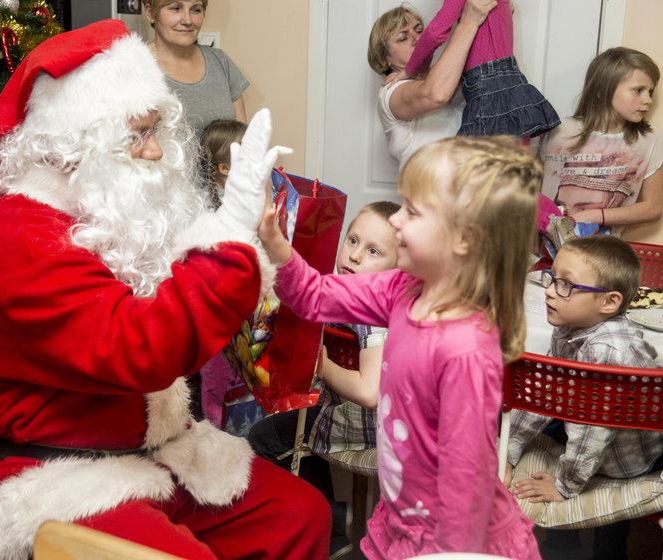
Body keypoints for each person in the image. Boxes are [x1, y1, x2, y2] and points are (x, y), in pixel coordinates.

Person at [0, 20, 331, 560]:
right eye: (135, 135)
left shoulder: (105, 216)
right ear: (74, 145)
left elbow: (181, 302)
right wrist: (228, 240)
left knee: (298, 515)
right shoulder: (22, 236)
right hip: (55, 475)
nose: (154, 153)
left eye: (153, 132)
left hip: (154, 449)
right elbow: (140, 348)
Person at [258, 135, 543, 559]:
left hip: (450, 542)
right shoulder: (404, 288)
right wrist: (277, 243)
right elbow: (317, 296)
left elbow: (465, 482)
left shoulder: (466, 350)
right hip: (402, 518)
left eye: (412, 211)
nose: (395, 221)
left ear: (463, 238)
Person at [505, 235, 663, 560]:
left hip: (622, 458)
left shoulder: (606, 351)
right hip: (589, 427)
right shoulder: (570, 323)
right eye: (553, 278)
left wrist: (565, 485)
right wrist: (507, 452)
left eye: (566, 285)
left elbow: (592, 431)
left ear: (609, 302)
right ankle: (564, 545)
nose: (550, 290)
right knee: (521, 421)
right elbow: (546, 391)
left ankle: (603, 551)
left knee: (610, 530)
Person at [247, 201, 399, 516]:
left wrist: (322, 364)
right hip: (345, 407)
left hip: (372, 422)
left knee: (263, 438)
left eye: (374, 252)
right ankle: (325, 516)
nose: (355, 255)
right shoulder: (344, 287)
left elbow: (370, 392)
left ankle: (317, 519)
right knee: (284, 424)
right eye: (353, 241)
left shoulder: (372, 309)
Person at [540, 47, 662, 235]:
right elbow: (524, 187)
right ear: (602, 90)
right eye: (638, 90)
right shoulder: (558, 131)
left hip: (601, 254)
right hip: (542, 249)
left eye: (650, 91)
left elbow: (653, 207)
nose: (648, 100)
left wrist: (595, 216)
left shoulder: (650, 140)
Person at [402, 0, 560, 139]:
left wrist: (409, 69)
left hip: (486, 83)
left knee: (481, 161)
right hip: (512, 78)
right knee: (514, 154)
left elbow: (434, 33)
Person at [368, 0, 496, 167]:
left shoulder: (446, 72)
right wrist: (467, 23)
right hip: (426, 192)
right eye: (403, 38)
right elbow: (435, 94)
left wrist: (494, 13)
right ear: (385, 59)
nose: (416, 39)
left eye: (419, 30)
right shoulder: (390, 93)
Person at [195, 118, 248, 426]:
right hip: (216, 308)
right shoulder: (207, 206)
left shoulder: (245, 198)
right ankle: (215, 431)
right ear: (226, 168)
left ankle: (237, 426)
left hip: (240, 305)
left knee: (239, 371)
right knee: (217, 375)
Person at [143, 0, 248, 135]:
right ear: (150, 13)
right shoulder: (133, 68)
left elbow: (244, 140)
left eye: (196, 10)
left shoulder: (220, 61)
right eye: (175, 8)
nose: (187, 20)